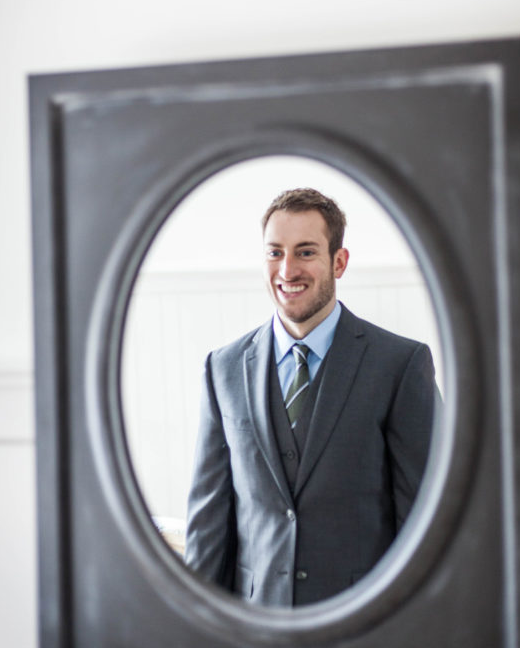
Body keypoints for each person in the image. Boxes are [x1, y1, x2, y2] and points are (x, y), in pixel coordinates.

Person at [184, 188, 437, 607]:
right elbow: (208, 521)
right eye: (274, 252)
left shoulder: (401, 364)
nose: (287, 269)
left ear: (339, 262)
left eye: (305, 252)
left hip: (362, 626)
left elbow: (426, 519)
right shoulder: (222, 369)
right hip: (257, 628)